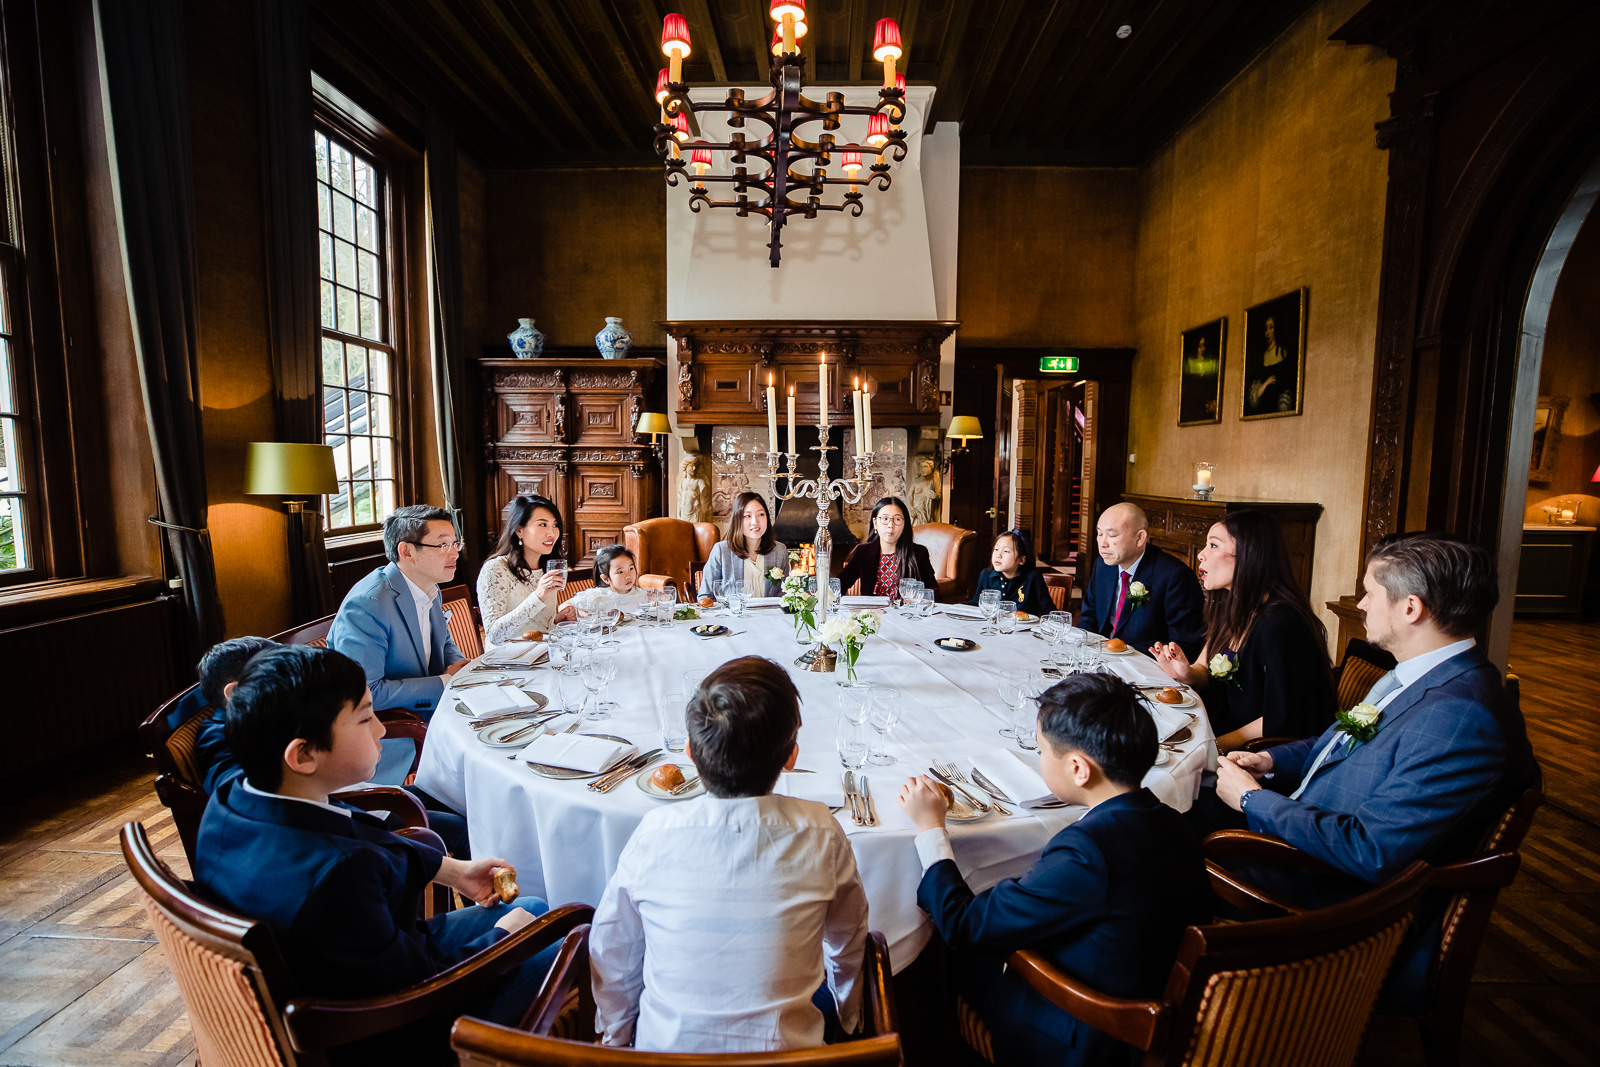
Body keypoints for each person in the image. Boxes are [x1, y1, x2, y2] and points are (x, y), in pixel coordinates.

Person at [1210, 532, 1534, 1008]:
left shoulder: (1462, 717)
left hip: (1336, 900)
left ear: (1410, 608)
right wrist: (1270, 760)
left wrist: (1252, 800)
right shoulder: (1417, 673)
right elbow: (1337, 746)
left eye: (1370, 592)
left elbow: (1370, 851)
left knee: (1145, 853)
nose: (1359, 603)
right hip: (1303, 837)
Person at [195, 645, 558, 1065]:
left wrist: (452, 871)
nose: (382, 731)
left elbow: (353, 831)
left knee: (532, 906)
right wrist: (503, 939)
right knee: (566, 932)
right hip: (389, 1026)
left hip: (350, 968)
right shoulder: (336, 875)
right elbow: (414, 990)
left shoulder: (236, 799)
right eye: (366, 718)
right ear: (304, 754)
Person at [898, 672, 1210, 1066]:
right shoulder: (1175, 820)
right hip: (1146, 989)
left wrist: (930, 830)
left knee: (926, 951)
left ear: (1080, 769)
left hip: (1088, 1036)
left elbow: (964, 925)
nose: (1039, 756)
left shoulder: (1088, 853)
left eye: (1042, 750)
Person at [590, 656, 869, 1052]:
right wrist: (849, 1017)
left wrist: (617, 1038)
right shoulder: (822, 830)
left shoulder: (654, 832)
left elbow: (611, 949)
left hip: (664, 1058)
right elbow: (848, 941)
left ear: (689, 751)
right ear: (791, 756)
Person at [191, 636, 471, 858]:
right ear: (236, 692)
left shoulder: (279, 719)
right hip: (344, 810)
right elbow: (250, 794)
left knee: (453, 798)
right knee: (463, 830)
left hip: (346, 796)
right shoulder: (220, 738)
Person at [1150, 510, 1335, 752]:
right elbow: (1204, 668)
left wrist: (1211, 747)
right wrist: (1185, 673)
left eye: (1213, 545)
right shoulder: (1232, 606)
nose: (1201, 555)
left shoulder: (1282, 624)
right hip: (1221, 731)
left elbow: (1282, 719)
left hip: (1262, 756)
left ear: (1249, 556)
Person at [328, 505, 467, 717]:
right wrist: (446, 682)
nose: (455, 553)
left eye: (455, 543)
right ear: (407, 551)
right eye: (443, 545)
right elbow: (365, 692)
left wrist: (462, 669)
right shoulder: (368, 604)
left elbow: (443, 640)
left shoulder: (430, 587)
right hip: (390, 731)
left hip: (436, 710)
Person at [1078, 502, 1205, 660]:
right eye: (1099, 534)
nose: (1103, 543)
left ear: (1140, 538)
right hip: (1098, 660)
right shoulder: (1103, 565)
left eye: (1112, 535)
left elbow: (1184, 644)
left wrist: (1120, 652)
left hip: (1144, 667)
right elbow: (1088, 616)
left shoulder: (1175, 576)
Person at [477, 494, 577, 651]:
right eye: (543, 525)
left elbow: (538, 626)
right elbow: (494, 636)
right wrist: (538, 597)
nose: (552, 533)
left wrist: (557, 620)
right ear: (519, 530)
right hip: (507, 663)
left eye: (555, 525)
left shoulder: (546, 568)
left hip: (542, 656)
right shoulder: (495, 569)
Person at [836, 496, 938, 598]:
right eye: (885, 519)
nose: (890, 525)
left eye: (897, 519)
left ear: (904, 524)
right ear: (875, 523)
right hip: (872, 613)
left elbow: (933, 593)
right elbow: (841, 583)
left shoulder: (919, 553)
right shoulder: (864, 553)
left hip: (905, 613)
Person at [697, 491, 789, 599]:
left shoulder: (780, 550)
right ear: (737, 519)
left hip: (771, 615)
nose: (755, 522)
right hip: (733, 615)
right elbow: (705, 596)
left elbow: (785, 596)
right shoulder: (721, 551)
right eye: (747, 516)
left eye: (761, 514)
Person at [969, 529, 1053, 617]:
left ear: (1021, 560)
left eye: (1006, 551)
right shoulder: (986, 575)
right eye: (996, 549)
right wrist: (954, 608)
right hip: (993, 628)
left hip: (1024, 629)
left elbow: (1048, 609)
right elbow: (976, 603)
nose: (998, 555)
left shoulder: (1033, 577)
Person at [568, 544, 648, 615]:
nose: (628, 576)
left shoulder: (641, 594)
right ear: (605, 579)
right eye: (620, 572)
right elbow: (564, 607)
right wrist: (581, 614)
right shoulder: (598, 596)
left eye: (631, 568)